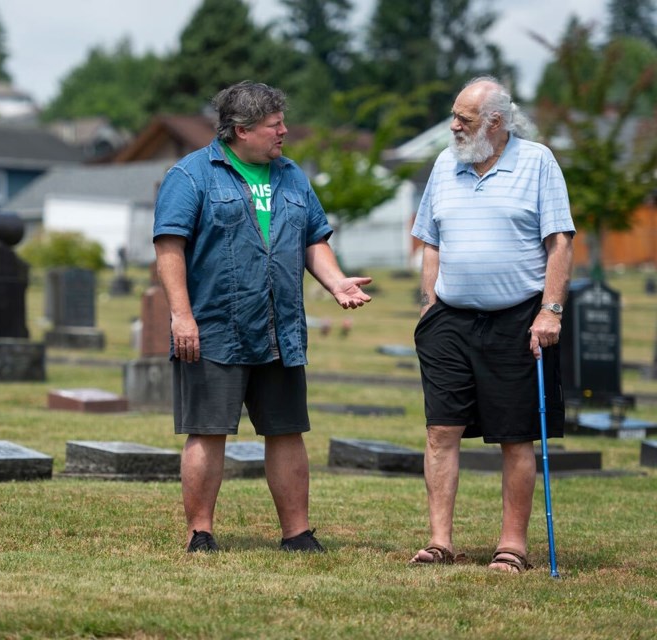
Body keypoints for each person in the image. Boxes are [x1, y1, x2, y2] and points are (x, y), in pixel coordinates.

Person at [152, 81, 372, 553]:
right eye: (275, 125)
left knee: (287, 430)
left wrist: (335, 282)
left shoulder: (292, 176)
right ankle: (200, 533)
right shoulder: (191, 176)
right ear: (241, 130)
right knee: (208, 430)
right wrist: (181, 316)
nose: (284, 132)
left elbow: (315, 239)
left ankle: (297, 533)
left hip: (281, 329)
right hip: (214, 326)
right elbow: (169, 248)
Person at [410, 76, 575, 572]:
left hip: (518, 320)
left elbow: (560, 242)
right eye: (454, 115)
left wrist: (551, 310)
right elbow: (430, 240)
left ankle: (513, 546)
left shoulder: (538, 161)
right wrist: (428, 305)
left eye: (465, 118)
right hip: (450, 322)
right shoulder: (445, 164)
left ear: (497, 122)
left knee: (515, 434)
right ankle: (440, 541)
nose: (454, 125)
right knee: (441, 430)